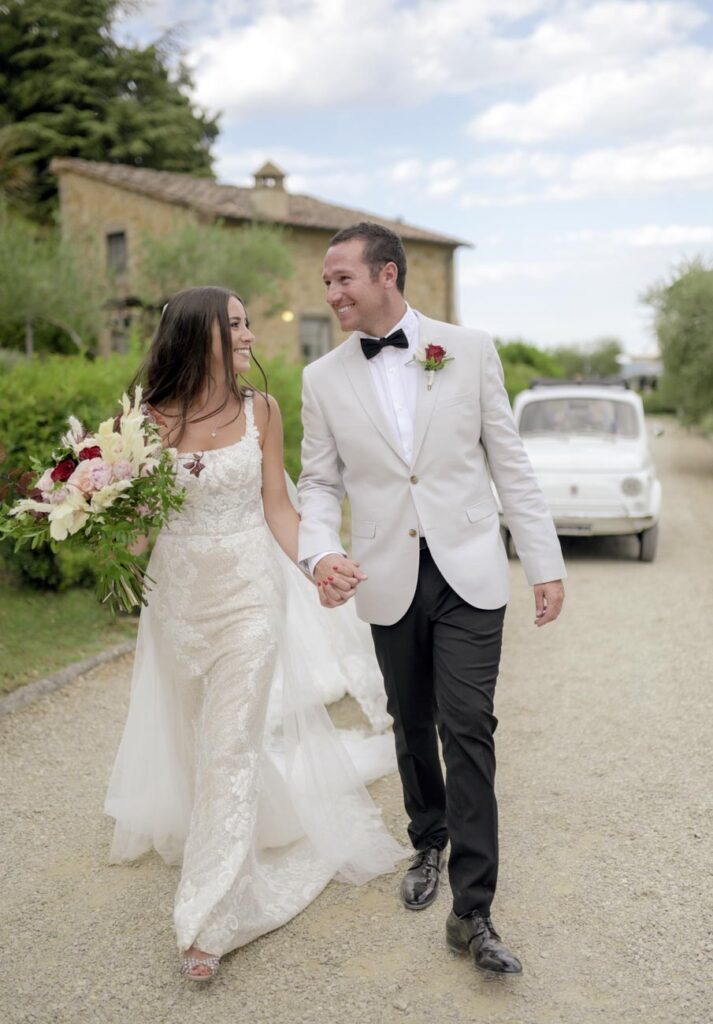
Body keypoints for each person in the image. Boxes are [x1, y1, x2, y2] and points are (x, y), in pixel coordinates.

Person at [105, 286, 405, 982]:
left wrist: (318, 565)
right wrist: (95, 503)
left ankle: (210, 918)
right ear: (197, 335)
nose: (248, 335)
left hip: (248, 597)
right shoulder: (141, 422)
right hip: (176, 601)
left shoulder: (260, 410)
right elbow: (135, 532)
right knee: (196, 740)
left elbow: (278, 506)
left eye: (246, 324)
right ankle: (241, 831)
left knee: (229, 747)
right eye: (234, 325)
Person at [297, 223, 566, 976]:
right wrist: (319, 552)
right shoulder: (321, 379)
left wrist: (542, 562)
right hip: (385, 575)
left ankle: (472, 911)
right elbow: (318, 483)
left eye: (343, 279)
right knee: (411, 721)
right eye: (326, 282)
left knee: (468, 725)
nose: (331, 294)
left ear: (387, 274)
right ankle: (428, 839)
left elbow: (508, 460)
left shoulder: (468, 349)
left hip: (469, 571)